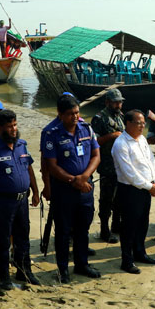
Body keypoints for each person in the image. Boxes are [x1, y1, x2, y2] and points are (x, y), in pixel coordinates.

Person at [42, 96, 101, 283]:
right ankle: (62, 269)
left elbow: (96, 155)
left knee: (83, 229)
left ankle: (82, 265)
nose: (75, 117)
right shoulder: (51, 133)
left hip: (85, 188)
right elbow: (51, 165)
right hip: (63, 189)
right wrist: (73, 180)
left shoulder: (87, 128)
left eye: (77, 112)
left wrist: (83, 178)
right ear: (60, 114)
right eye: (70, 114)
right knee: (63, 231)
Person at [0, 109, 41, 289]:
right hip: (3, 202)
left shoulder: (22, 145)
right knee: (3, 240)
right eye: (9, 126)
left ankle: (24, 271)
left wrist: (36, 191)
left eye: (15, 125)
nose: (14, 129)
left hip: (22, 201)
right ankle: (4, 276)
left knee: (23, 237)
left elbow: (29, 169)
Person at [111, 110, 155, 274]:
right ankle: (127, 260)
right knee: (129, 227)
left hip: (146, 188)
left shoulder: (142, 140)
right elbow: (130, 173)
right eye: (138, 123)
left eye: (143, 123)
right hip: (130, 191)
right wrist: (149, 186)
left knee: (143, 223)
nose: (142, 126)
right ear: (128, 123)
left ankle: (140, 253)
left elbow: (151, 161)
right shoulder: (121, 144)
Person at [90, 89, 125, 243]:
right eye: (115, 102)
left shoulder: (121, 116)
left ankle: (117, 225)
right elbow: (94, 143)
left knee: (119, 199)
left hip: (120, 165)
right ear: (107, 102)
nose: (118, 104)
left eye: (120, 102)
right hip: (107, 166)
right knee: (106, 199)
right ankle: (105, 230)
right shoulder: (99, 118)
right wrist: (112, 135)